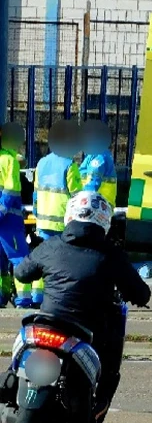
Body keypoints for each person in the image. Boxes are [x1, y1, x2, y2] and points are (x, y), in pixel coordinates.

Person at [13, 191, 151, 423]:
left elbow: (22, 273)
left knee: (14, 365)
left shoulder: (51, 245)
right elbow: (141, 293)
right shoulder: (111, 254)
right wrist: (139, 294)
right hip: (84, 332)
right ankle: (93, 409)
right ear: (104, 220)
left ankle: (13, 388)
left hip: (46, 323)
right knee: (108, 367)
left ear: (70, 214)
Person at [26, 120, 83, 309]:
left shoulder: (41, 163)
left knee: (42, 259)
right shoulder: (70, 166)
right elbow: (78, 197)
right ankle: (58, 298)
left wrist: (37, 212)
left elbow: (35, 193)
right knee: (63, 262)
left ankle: (36, 297)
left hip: (43, 221)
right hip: (63, 224)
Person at [0, 122, 32, 309]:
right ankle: (12, 296)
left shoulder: (9, 160)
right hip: (7, 219)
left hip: (8, 219)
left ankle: (23, 299)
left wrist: (1, 211)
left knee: (17, 258)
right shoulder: (9, 159)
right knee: (12, 258)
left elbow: (11, 190)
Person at [79, 120, 118, 207]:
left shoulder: (99, 158)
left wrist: (79, 200)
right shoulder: (93, 155)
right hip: (95, 205)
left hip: (96, 207)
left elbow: (93, 184)